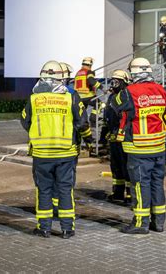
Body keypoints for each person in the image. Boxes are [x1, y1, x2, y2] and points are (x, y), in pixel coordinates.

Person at [22, 60, 92, 239]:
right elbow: (82, 122)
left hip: (41, 153)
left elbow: (25, 121)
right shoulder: (71, 97)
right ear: (62, 79)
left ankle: (44, 228)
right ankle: (67, 229)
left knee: (43, 190)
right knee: (65, 190)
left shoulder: (33, 98)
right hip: (65, 153)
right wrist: (88, 139)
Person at [112, 57, 166, 234]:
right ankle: (159, 222)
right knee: (157, 183)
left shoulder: (129, 92)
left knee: (140, 185)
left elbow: (115, 104)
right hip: (158, 147)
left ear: (133, 73)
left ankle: (141, 223)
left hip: (139, 147)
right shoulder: (162, 90)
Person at [104, 69, 131, 204]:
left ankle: (130, 195)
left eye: (117, 81)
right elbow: (107, 116)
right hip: (114, 136)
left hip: (124, 136)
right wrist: (106, 133)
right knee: (116, 166)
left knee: (126, 165)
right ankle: (118, 193)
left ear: (124, 83)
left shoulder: (126, 97)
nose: (114, 84)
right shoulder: (111, 97)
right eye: (112, 81)